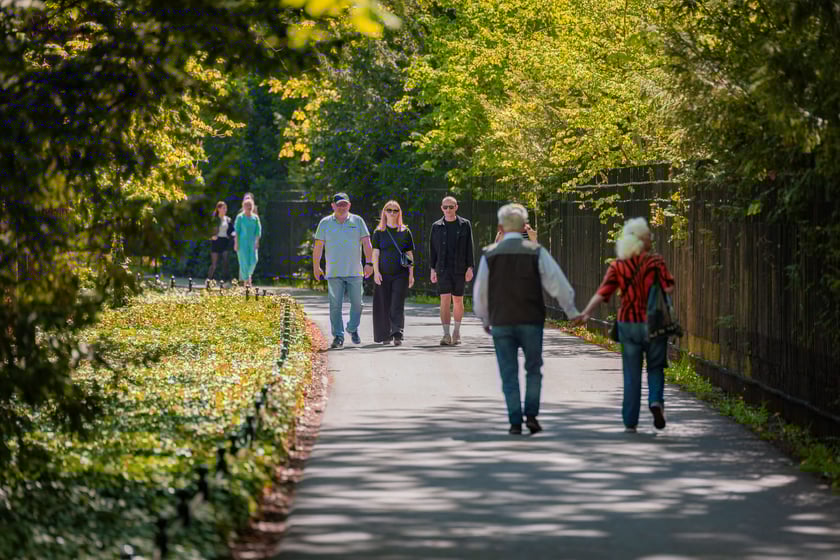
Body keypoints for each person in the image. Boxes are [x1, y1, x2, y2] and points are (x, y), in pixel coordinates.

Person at [473, 203, 579, 435]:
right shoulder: (535, 252)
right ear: (524, 226)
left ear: (500, 226)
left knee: (508, 372)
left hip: (502, 320)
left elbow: (481, 291)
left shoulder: (490, 255)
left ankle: (514, 420)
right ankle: (531, 414)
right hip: (531, 318)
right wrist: (570, 311)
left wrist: (484, 318)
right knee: (533, 368)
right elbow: (557, 283)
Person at [572, 217, 675, 433]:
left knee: (631, 372)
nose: (651, 238)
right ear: (640, 240)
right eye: (648, 235)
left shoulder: (618, 266)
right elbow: (668, 289)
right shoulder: (656, 262)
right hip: (653, 324)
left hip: (628, 323)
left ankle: (630, 420)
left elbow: (603, 292)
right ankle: (656, 401)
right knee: (656, 367)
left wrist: (586, 313)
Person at [313, 192, 374, 349]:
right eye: (339, 204)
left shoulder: (357, 221)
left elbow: (367, 243)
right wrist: (316, 266)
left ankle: (352, 328)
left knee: (358, 304)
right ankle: (338, 336)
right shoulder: (325, 223)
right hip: (333, 273)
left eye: (344, 204)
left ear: (349, 205)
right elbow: (318, 247)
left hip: (355, 272)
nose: (342, 207)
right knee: (335, 306)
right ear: (333, 206)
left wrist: (370, 263)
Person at [429, 196, 474, 346]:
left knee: (458, 300)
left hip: (460, 268)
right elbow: (433, 250)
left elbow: (470, 247)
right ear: (441, 208)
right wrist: (432, 269)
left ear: (456, 207)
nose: (448, 210)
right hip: (442, 267)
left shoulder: (465, 224)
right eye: (445, 207)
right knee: (445, 300)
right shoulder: (436, 226)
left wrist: (470, 267)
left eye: (451, 207)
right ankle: (446, 334)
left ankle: (457, 331)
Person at [371, 201, 415, 346]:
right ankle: (385, 335)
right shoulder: (379, 232)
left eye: (395, 210)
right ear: (384, 212)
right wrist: (376, 272)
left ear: (399, 213)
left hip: (400, 274)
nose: (392, 213)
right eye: (389, 210)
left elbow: (409, 254)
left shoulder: (405, 231)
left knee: (397, 304)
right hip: (383, 273)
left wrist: (411, 274)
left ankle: (397, 334)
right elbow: (375, 254)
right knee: (383, 304)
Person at [234, 196, 261, 288]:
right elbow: (236, 231)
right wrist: (236, 243)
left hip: (252, 242)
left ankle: (249, 275)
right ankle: (246, 281)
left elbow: (258, 231)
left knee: (254, 260)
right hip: (242, 243)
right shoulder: (240, 217)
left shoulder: (255, 218)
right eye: (246, 205)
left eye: (250, 205)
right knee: (244, 262)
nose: (248, 207)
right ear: (243, 206)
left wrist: (257, 241)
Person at [208, 201, 235, 281]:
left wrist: (232, 235)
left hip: (224, 241)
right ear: (218, 209)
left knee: (225, 261)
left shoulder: (228, 219)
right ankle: (209, 280)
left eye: (226, 208)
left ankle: (225, 280)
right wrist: (211, 236)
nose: (225, 210)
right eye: (223, 208)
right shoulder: (215, 219)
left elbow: (232, 230)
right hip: (216, 241)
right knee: (214, 264)